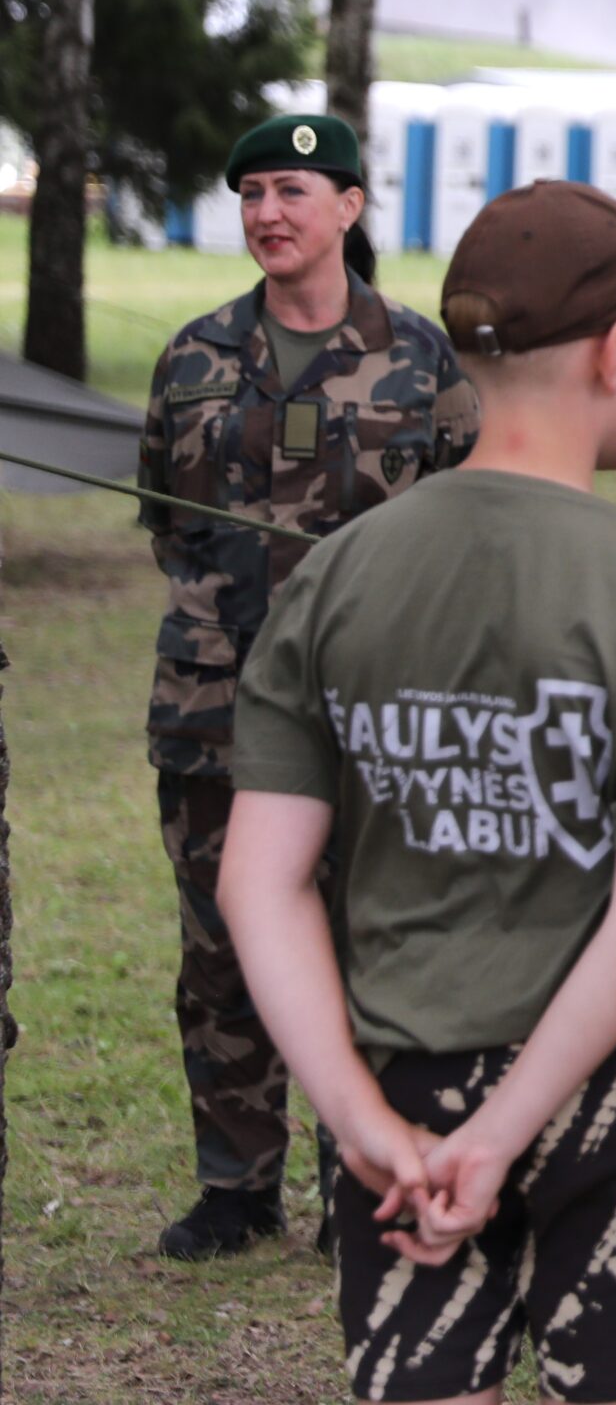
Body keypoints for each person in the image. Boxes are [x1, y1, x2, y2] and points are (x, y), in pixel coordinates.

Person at [220, 179, 616, 1405]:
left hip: (399, 1082)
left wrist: (357, 1119)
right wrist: (507, 1131)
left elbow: (259, 878)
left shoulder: (336, 573)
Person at [136, 111, 478, 1261]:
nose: (269, 213)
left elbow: (466, 524)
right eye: (252, 194)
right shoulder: (191, 354)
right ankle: (236, 1183)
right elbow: (163, 517)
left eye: (292, 189)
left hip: (369, 706)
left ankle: (363, 1170)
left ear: (348, 205)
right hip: (211, 704)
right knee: (223, 941)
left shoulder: (423, 357)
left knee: (370, 938)